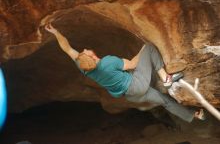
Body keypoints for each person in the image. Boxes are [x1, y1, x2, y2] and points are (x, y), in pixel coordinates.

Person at [45, 23, 205, 122]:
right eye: (85, 51)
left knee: (164, 101)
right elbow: (133, 63)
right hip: (136, 85)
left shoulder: (85, 68)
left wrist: (56, 32)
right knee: (149, 47)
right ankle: (166, 78)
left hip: (132, 96)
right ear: (92, 56)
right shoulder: (108, 61)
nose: (84, 49)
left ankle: (194, 115)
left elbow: (67, 48)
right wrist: (142, 50)